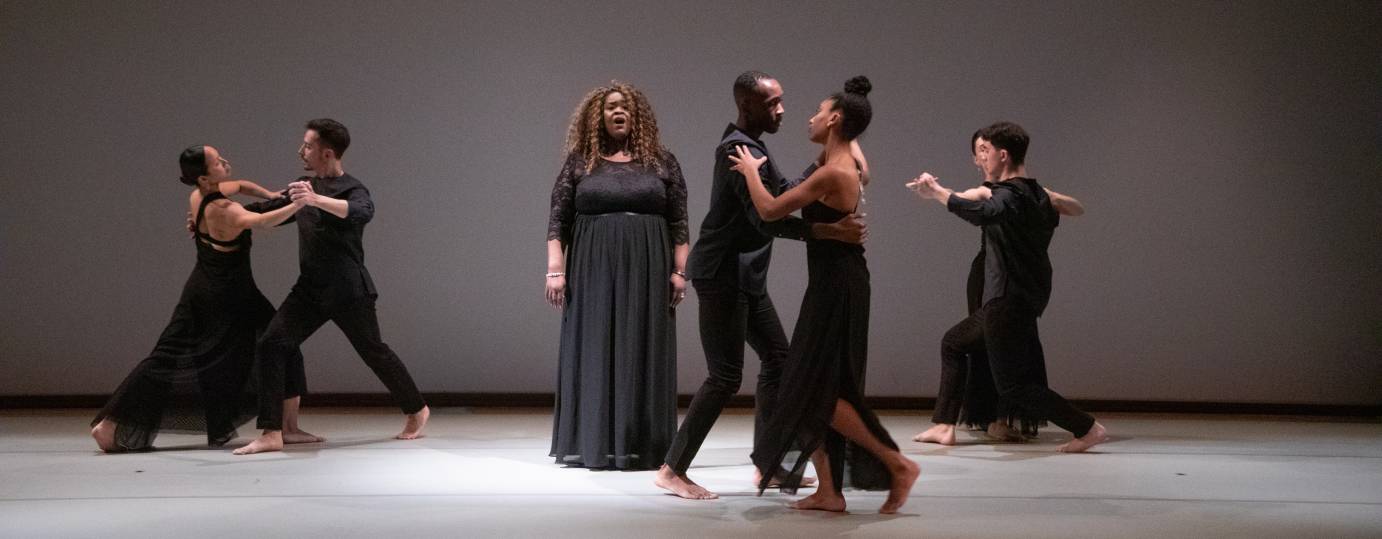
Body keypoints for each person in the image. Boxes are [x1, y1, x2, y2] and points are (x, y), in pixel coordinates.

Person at [654, 71, 867, 500]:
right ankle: (672, 469)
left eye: (782, 101)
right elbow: (763, 217)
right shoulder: (737, 151)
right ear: (748, 106)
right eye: (773, 103)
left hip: (745, 275)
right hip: (721, 274)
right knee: (726, 376)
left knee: (778, 360)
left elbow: (784, 189)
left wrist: (826, 161)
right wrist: (828, 233)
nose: (782, 110)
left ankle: (768, 465)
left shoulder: (753, 148)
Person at [735, 76, 919, 514]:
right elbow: (862, 164)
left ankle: (897, 464)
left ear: (835, 118)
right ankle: (830, 491)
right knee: (814, 386)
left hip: (837, 286)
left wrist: (748, 173)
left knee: (815, 391)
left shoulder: (832, 172)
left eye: (818, 111)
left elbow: (769, 210)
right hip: (837, 282)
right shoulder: (848, 160)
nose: (810, 117)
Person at [907, 121, 1108, 453]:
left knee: (1014, 386)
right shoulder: (1035, 194)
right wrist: (1048, 197)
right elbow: (1074, 207)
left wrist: (938, 193)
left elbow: (985, 210)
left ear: (1002, 155)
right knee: (954, 343)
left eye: (986, 153)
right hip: (1016, 297)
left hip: (1008, 299)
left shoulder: (1009, 195)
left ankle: (1087, 427)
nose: (981, 160)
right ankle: (944, 425)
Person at [91, 145, 304, 452]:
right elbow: (263, 222)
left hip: (203, 288)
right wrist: (301, 204)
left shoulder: (199, 196)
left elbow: (242, 186)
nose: (226, 162)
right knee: (280, 341)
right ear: (204, 179)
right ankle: (286, 427)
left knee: (167, 353)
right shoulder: (223, 210)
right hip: (228, 295)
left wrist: (272, 194)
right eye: (218, 162)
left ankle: (109, 424)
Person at [236, 119, 429, 455]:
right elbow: (262, 211)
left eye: (307, 146)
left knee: (374, 352)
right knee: (272, 343)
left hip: (348, 291)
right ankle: (273, 431)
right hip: (309, 291)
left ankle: (417, 409)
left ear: (327, 153)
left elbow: (361, 213)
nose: (301, 151)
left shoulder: (353, 189)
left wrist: (314, 201)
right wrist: (215, 216)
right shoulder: (302, 186)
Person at [545, 82, 688, 469]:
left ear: (637, 115)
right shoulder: (581, 162)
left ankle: (643, 441)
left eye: (625, 106)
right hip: (592, 267)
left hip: (648, 267)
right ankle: (593, 441)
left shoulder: (662, 162)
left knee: (643, 346)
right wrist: (555, 270)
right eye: (610, 107)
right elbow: (558, 218)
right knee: (595, 346)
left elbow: (679, 220)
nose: (618, 111)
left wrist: (679, 271)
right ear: (599, 116)